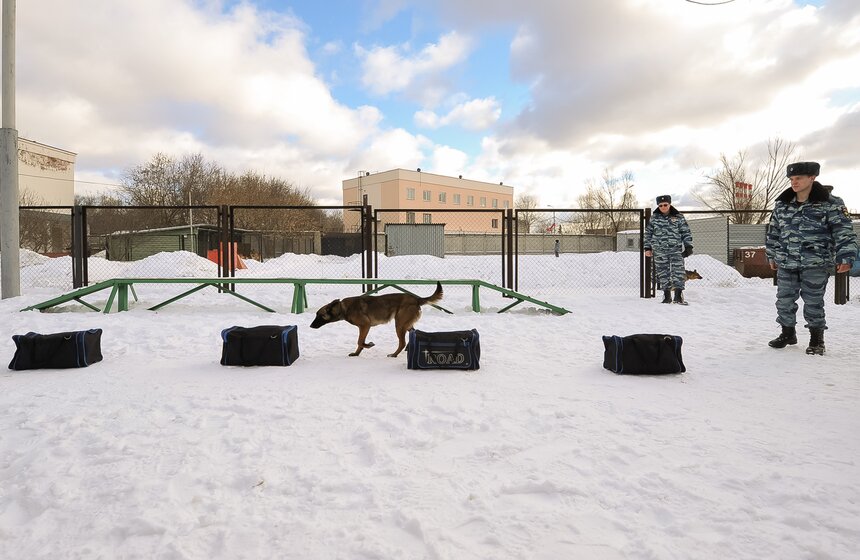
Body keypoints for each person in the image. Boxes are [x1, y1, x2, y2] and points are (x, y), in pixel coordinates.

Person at [765, 161, 857, 355]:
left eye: (798, 178)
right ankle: (787, 333)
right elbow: (773, 232)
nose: (794, 182)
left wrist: (846, 256)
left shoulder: (831, 204)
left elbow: (844, 232)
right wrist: (771, 254)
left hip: (815, 262)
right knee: (784, 300)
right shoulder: (782, 204)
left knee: (813, 302)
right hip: (786, 261)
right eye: (791, 179)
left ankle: (817, 339)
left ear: (812, 178)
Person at [644, 195, 693, 304]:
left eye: (665, 205)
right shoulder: (654, 218)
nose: (663, 207)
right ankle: (666, 296)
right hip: (659, 250)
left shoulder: (678, 217)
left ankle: (678, 296)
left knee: (678, 272)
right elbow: (648, 234)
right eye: (660, 205)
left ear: (669, 204)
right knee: (663, 272)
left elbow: (686, 232)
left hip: (675, 249)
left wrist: (688, 246)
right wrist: (647, 248)